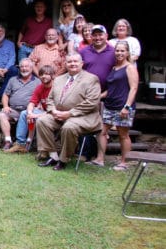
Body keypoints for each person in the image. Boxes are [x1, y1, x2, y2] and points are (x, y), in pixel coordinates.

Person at [36, 53, 102, 171]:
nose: (72, 64)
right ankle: (53, 155)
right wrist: (53, 110)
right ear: (65, 64)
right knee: (42, 121)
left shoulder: (91, 79)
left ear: (82, 63)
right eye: (69, 62)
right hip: (59, 114)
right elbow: (50, 99)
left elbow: (92, 102)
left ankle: (63, 159)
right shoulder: (59, 79)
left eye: (75, 61)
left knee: (69, 127)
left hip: (83, 117)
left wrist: (70, 113)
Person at [90, 41, 139, 171]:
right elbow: (110, 89)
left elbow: (134, 88)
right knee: (101, 131)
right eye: (117, 50)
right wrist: (98, 96)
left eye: (122, 51)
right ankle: (100, 159)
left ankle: (124, 162)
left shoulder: (130, 67)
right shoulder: (113, 68)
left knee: (123, 135)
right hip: (109, 105)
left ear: (127, 52)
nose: (119, 53)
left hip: (123, 106)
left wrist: (127, 107)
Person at [4, 65, 55, 154]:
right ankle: (20, 144)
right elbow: (32, 102)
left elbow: (55, 111)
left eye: (47, 74)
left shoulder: (56, 88)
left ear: (52, 75)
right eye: (42, 74)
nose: (44, 76)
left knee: (38, 118)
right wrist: (30, 113)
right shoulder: (40, 87)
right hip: (44, 112)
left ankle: (43, 149)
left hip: (55, 114)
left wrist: (36, 115)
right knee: (24, 113)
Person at [0, 58, 41, 150]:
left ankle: (28, 142)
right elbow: (5, 95)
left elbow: (41, 97)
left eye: (26, 66)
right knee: (2, 114)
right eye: (22, 66)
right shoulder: (13, 80)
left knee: (27, 114)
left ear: (31, 68)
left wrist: (38, 106)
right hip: (14, 109)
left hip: (29, 110)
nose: (24, 69)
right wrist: (5, 106)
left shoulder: (37, 81)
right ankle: (8, 141)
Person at [80, 24, 116, 91]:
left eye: (100, 34)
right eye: (95, 35)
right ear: (91, 37)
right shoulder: (83, 52)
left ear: (106, 36)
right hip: (88, 92)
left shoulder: (114, 52)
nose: (97, 38)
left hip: (109, 93)